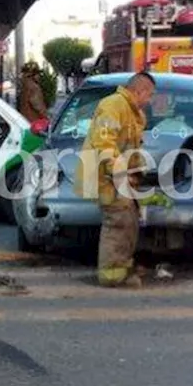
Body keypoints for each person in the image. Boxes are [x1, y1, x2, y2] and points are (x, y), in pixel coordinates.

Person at [75, 72, 155, 288]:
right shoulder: (113, 105)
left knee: (128, 222)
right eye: (150, 95)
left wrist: (138, 174)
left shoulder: (133, 112)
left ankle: (121, 266)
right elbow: (104, 143)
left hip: (115, 176)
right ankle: (112, 275)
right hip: (103, 176)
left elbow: (132, 149)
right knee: (119, 222)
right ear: (140, 91)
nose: (150, 101)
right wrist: (120, 173)